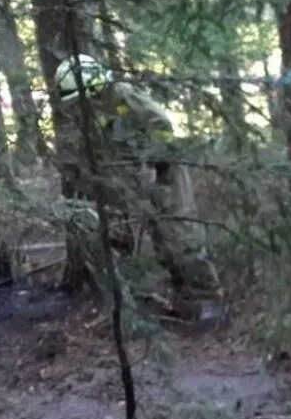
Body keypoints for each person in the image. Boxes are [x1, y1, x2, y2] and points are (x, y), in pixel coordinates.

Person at [54, 54, 225, 322]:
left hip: (166, 173)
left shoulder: (124, 97)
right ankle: (186, 300)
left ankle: (211, 301)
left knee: (182, 236)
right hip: (143, 178)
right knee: (162, 241)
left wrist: (155, 160)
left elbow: (162, 126)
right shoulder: (98, 109)